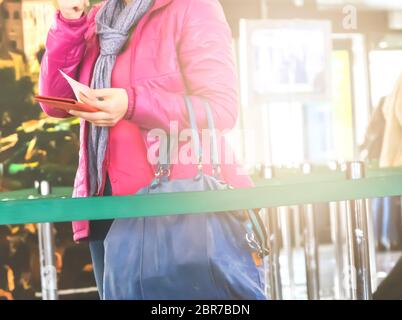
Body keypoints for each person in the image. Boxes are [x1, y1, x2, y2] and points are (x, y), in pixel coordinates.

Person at [39, 0, 260, 299]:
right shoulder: (99, 18)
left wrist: (131, 104)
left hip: (176, 207)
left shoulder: (194, 7)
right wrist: (69, 19)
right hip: (106, 206)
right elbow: (54, 103)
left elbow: (221, 109)